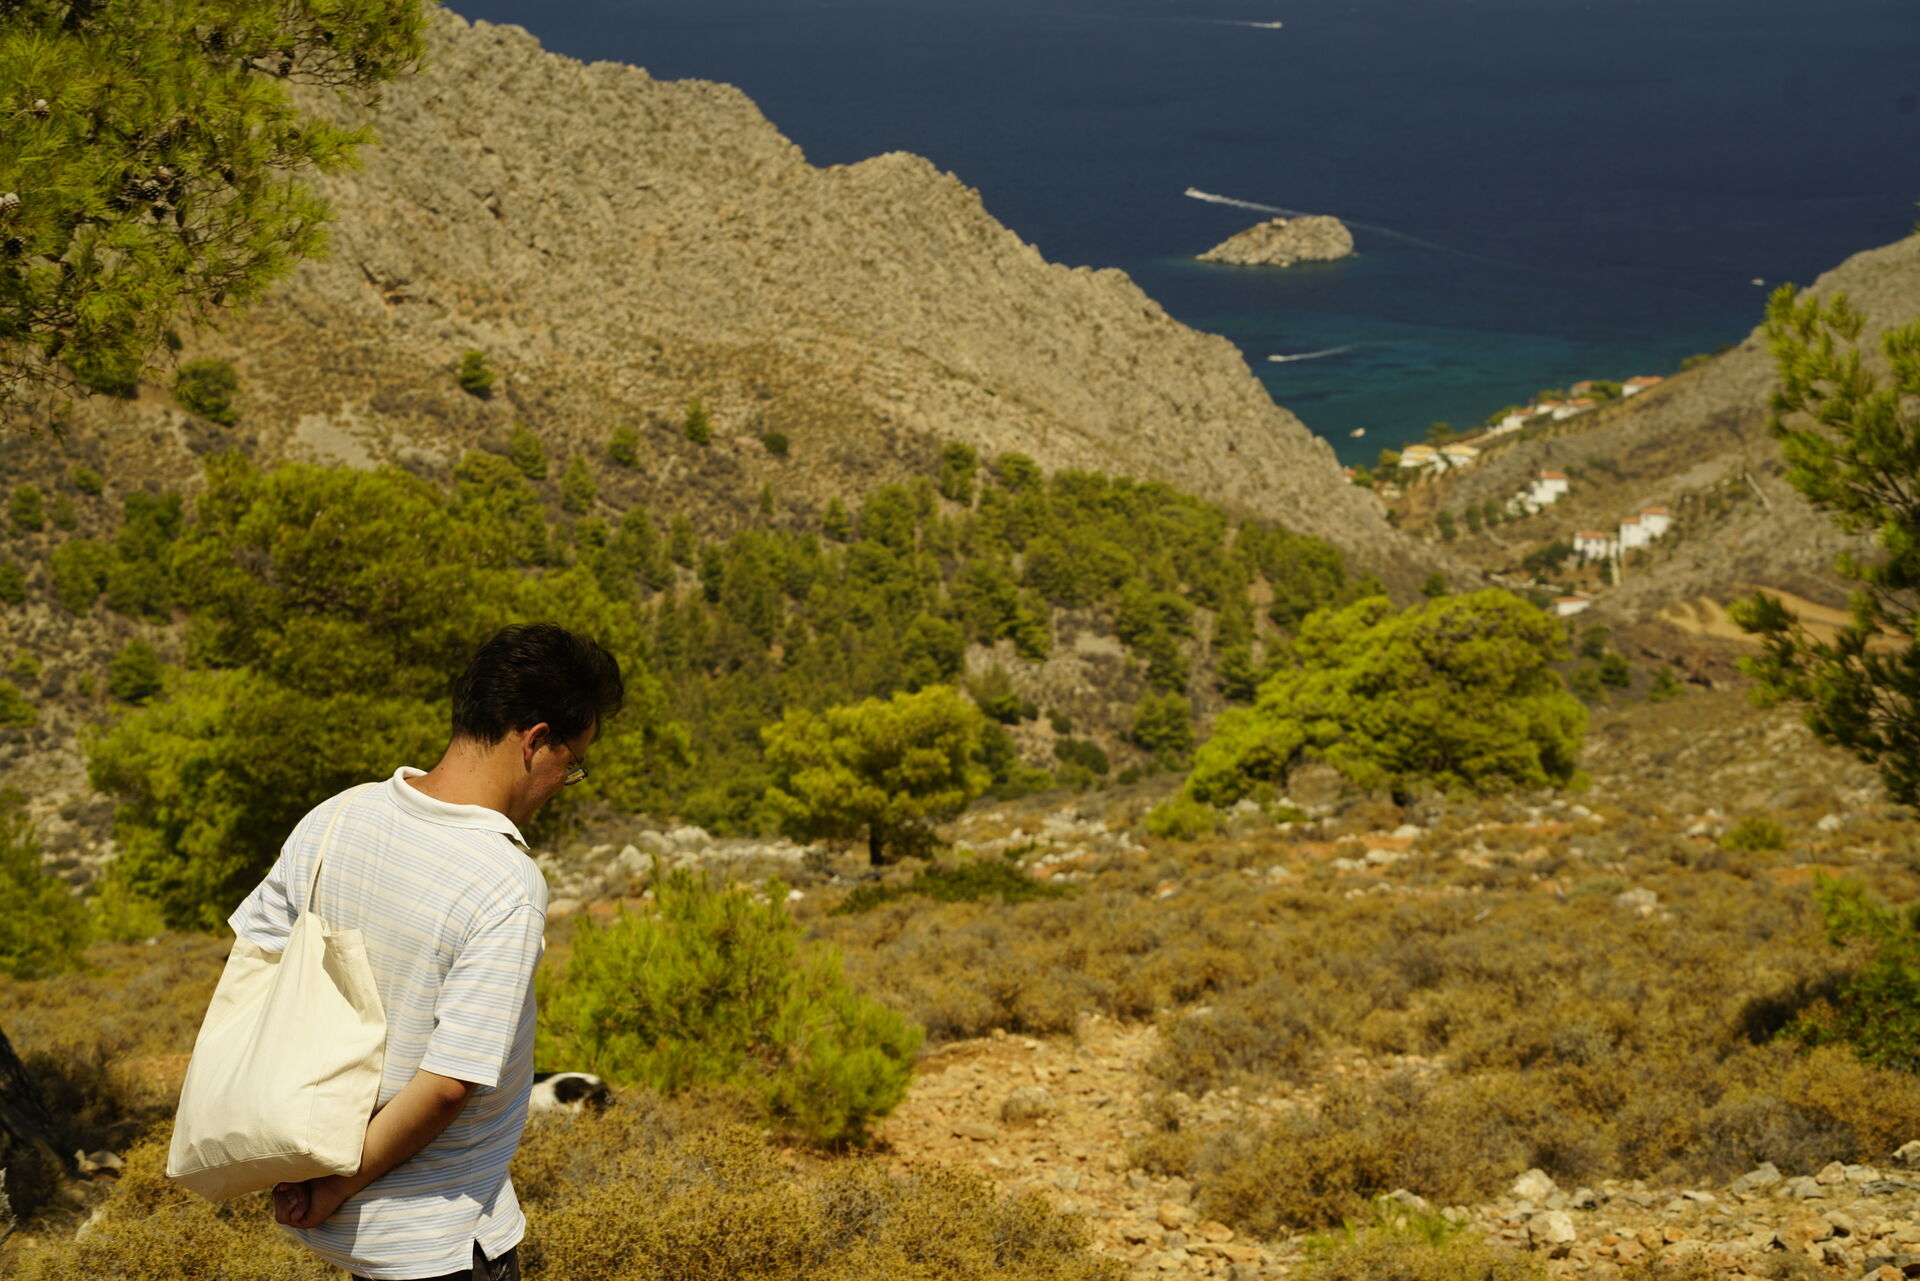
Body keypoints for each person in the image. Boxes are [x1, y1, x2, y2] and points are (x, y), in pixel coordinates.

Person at [228, 623, 624, 1281]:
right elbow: (448, 1083)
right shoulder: (504, 878)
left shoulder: (336, 816)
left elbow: (252, 963)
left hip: (341, 1225)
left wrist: (294, 1149)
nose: (565, 781)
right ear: (534, 741)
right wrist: (338, 1183)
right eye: (572, 762)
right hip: (444, 1238)